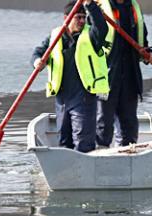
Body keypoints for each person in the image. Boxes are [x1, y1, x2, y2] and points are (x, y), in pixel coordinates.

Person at [31, 0, 109, 153]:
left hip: (84, 98)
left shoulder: (91, 35)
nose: (81, 21)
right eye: (77, 17)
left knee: (83, 143)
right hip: (62, 99)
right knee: (64, 141)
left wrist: (90, 5)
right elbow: (37, 52)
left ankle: (85, 172)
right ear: (66, 18)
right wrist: (37, 62)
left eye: (83, 17)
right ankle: (66, 173)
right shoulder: (55, 35)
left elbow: (102, 27)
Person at [95, 0, 152, 148]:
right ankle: (100, 155)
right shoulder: (100, 6)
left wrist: (148, 54)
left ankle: (127, 152)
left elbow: (142, 40)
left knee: (129, 124)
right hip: (106, 76)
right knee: (103, 123)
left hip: (130, 75)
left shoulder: (133, 8)